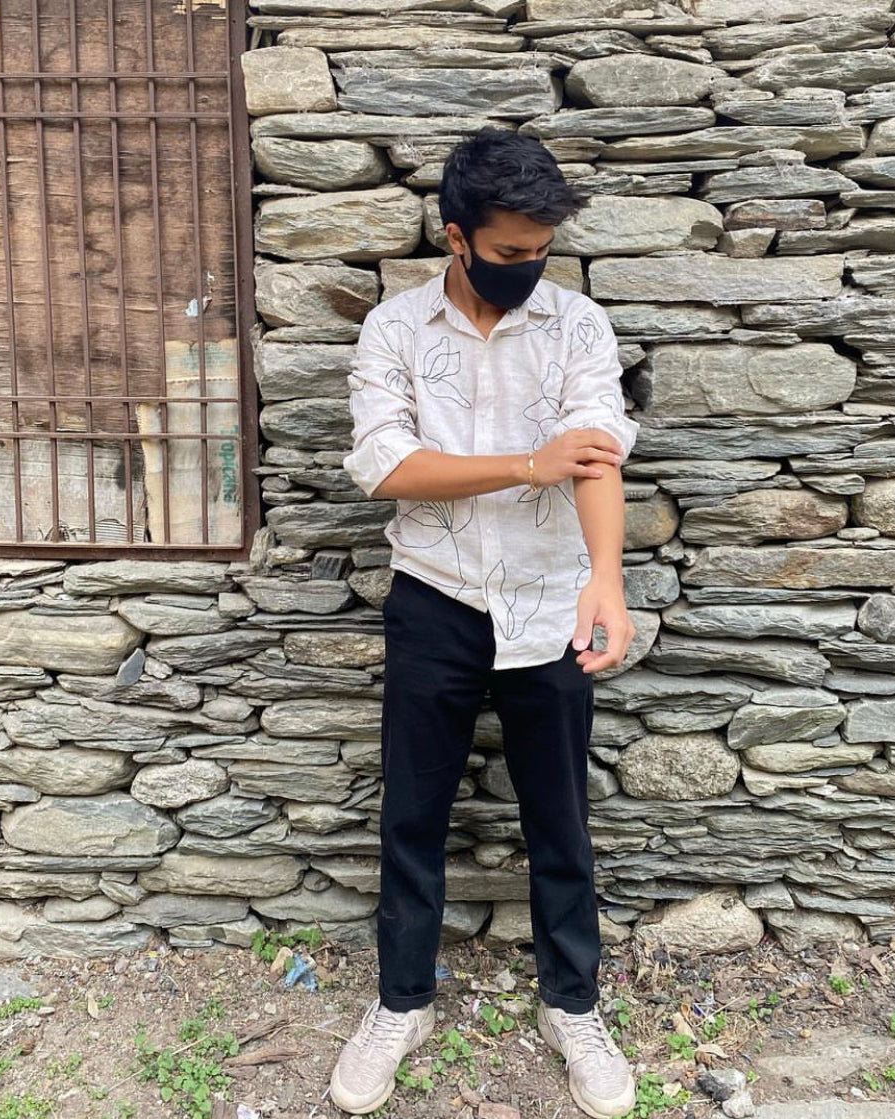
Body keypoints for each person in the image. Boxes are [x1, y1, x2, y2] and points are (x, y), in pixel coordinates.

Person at [331, 125, 641, 1119]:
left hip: (553, 602)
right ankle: (400, 1002)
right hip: (437, 597)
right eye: (509, 252)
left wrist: (608, 582)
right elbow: (385, 466)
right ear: (455, 237)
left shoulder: (579, 327)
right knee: (413, 815)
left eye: (540, 251)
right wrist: (524, 463)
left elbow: (594, 453)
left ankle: (573, 1006)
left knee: (560, 814)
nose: (528, 269)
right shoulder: (395, 333)